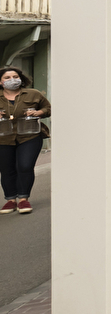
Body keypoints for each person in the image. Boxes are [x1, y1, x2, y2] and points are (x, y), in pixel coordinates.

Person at [0, 66, 48, 214]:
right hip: (3, 138)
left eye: (15, 77)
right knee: (6, 169)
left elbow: (48, 108)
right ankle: (10, 200)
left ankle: (23, 199)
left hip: (30, 135)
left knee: (25, 166)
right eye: (7, 78)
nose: (12, 80)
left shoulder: (33, 94)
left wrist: (39, 112)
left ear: (21, 79)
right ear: (1, 82)